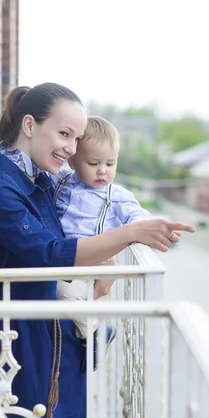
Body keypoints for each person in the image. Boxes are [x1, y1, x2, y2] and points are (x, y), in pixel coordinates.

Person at [0, 82, 195, 418]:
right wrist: (127, 234)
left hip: (49, 336)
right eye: (64, 134)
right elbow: (49, 251)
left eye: (76, 138)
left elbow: (67, 237)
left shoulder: (36, 181)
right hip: (15, 340)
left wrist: (105, 254)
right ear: (29, 125)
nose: (72, 149)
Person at [49, 116, 155, 371]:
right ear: (73, 161)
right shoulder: (60, 182)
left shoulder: (116, 195)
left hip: (90, 265)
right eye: (93, 163)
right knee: (59, 294)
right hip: (65, 259)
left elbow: (138, 216)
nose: (102, 171)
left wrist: (150, 230)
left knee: (63, 295)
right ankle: (90, 330)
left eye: (110, 163)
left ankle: (96, 332)